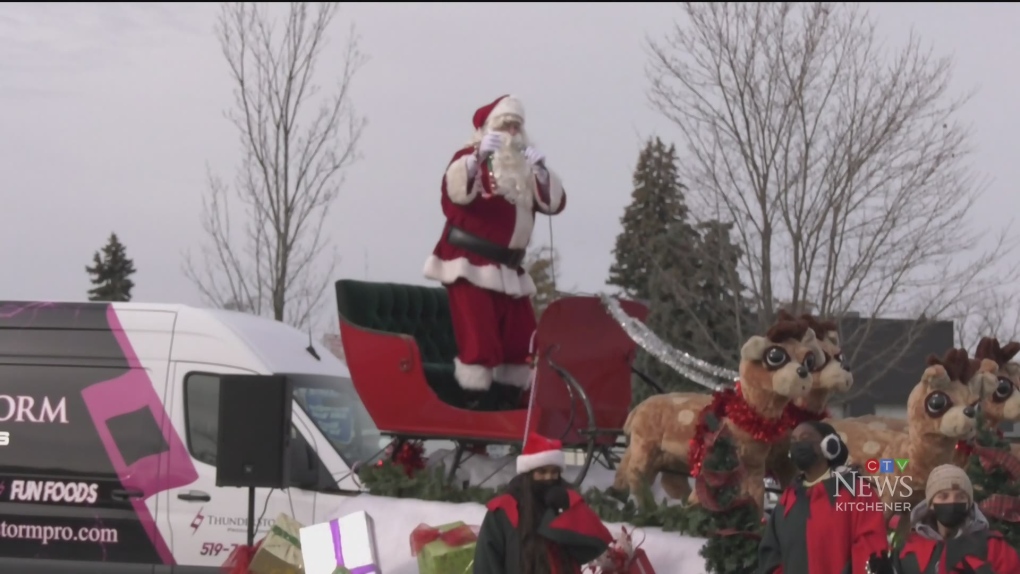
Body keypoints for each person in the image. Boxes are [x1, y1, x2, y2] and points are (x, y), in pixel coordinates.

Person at [423, 95, 567, 409]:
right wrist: (476, 159)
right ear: (488, 130)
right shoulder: (470, 159)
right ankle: (472, 413)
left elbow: (552, 203)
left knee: (523, 343)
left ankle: (507, 408)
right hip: (469, 264)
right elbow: (454, 196)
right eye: (505, 126)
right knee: (480, 344)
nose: (513, 133)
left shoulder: (524, 170)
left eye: (517, 127)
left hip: (509, 271)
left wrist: (542, 173)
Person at [757, 421, 889, 574]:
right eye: (793, 441)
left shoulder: (857, 491)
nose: (798, 444)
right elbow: (771, 556)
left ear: (829, 445)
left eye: (806, 438)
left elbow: (870, 547)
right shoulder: (787, 500)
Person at [473, 432, 611, 574]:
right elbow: (487, 563)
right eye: (542, 471)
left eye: (554, 472)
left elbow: (596, 542)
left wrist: (568, 506)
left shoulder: (566, 500)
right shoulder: (504, 509)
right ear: (529, 472)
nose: (549, 477)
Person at [867, 464, 1020, 574]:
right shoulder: (909, 546)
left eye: (960, 496)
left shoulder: (993, 546)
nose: (951, 502)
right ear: (931, 504)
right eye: (943, 496)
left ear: (969, 503)